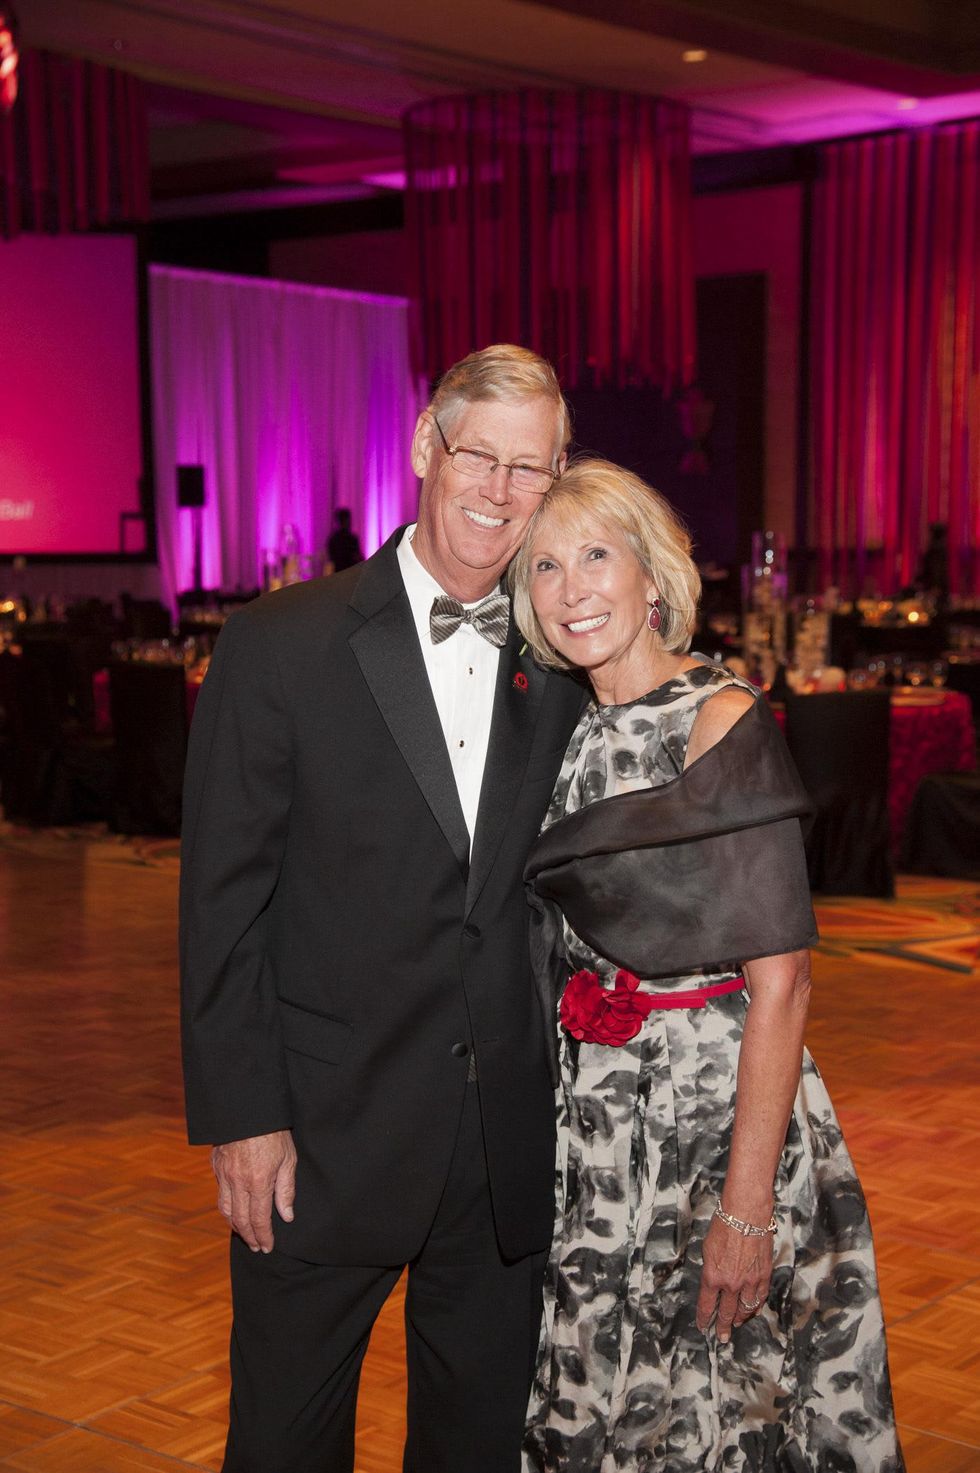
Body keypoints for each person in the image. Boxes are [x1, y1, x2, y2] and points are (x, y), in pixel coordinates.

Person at [179, 344, 586, 1473]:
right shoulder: (278, 643)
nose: (500, 494)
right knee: (284, 1442)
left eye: (532, 472)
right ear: (424, 448)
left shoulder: (562, 654)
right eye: (479, 458)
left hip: (504, 1143)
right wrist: (241, 1117)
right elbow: (220, 904)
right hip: (319, 1132)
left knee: (474, 1448)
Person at [509, 459, 905, 1473]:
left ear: (651, 577)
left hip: (714, 1113)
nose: (571, 589)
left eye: (596, 555)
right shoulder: (559, 729)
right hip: (597, 1119)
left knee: (722, 1401)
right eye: (545, 566)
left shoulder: (716, 721)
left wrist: (745, 1207)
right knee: (602, 1384)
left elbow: (783, 982)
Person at [326, 505, 363, 573]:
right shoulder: (351, 539)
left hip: (339, 574)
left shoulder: (333, 539)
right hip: (351, 573)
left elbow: (331, 559)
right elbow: (357, 557)